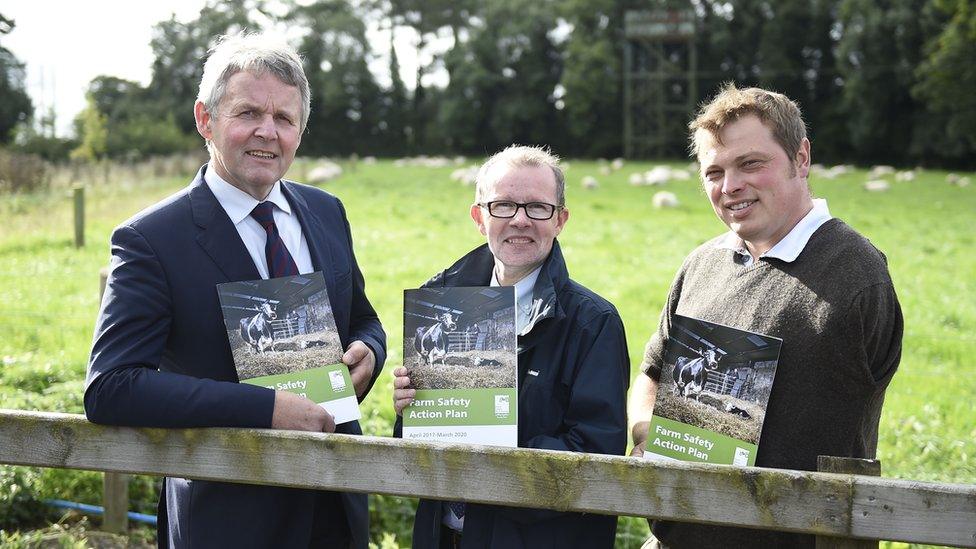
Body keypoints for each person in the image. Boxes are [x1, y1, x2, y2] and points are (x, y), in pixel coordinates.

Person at [84, 33, 386, 548]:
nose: (267, 132)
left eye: (285, 119)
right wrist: (264, 409)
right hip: (227, 515)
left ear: (300, 130)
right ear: (206, 119)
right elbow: (111, 387)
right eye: (248, 113)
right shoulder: (151, 239)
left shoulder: (327, 211)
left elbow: (361, 317)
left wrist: (370, 351)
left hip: (334, 503)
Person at [628, 84, 903, 548]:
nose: (730, 186)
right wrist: (645, 432)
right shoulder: (702, 263)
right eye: (714, 172)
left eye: (750, 164)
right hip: (675, 537)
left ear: (801, 158)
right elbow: (652, 373)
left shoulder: (857, 273)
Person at [393, 145, 630, 548]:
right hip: (442, 536)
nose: (519, 220)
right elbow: (415, 448)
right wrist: (409, 409)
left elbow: (594, 457)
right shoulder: (438, 304)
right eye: (503, 205)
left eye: (537, 207)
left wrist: (486, 437)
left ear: (560, 221)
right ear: (478, 217)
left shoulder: (593, 324)